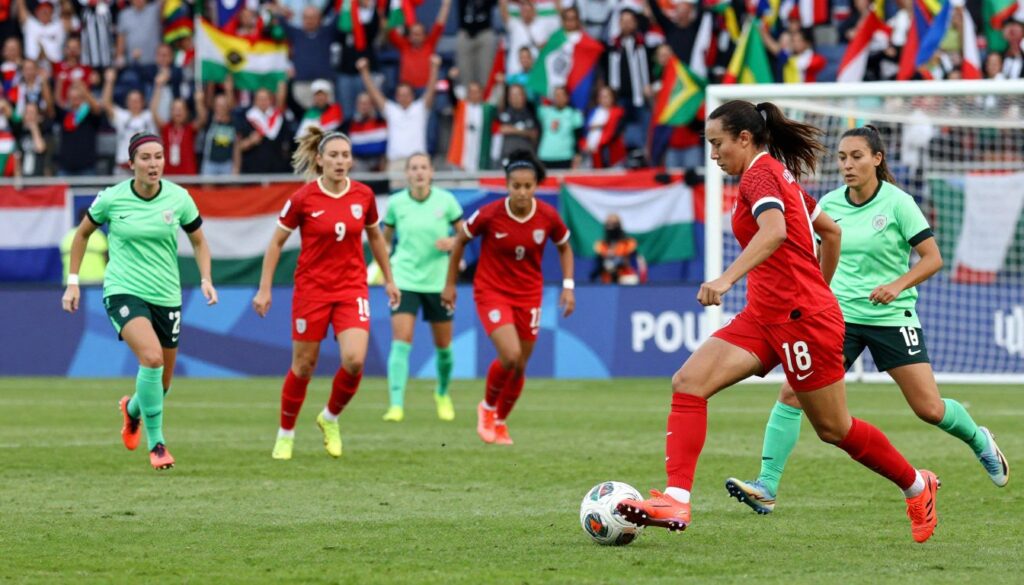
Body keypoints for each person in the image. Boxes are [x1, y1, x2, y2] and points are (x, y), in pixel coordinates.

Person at [616, 101, 941, 544]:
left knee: (834, 429)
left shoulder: (761, 176)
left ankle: (918, 486)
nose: (713, 155)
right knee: (689, 382)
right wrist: (821, 287)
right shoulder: (778, 175)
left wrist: (727, 279)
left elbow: (775, 232)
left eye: (717, 144)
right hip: (765, 316)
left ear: (744, 139)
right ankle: (676, 498)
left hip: (803, 322)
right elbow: (832, 232)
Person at [725, 126, 1010, 515]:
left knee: (928, 409)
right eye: (842, 157)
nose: (847, 165)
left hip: (891, 317)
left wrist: (897, 285)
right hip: (838, 316)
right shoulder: (829, 203)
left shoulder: (898, 203)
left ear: (877, 159)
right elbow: (815, 254)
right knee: (792, 393)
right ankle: (766, 486)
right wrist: (818, 296)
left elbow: (932, 258)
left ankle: (979, 440)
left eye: (856, 156)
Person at [61, 132, 218, 471]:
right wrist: (72, 283)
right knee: (151, 357)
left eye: (158, 157)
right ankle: (157, 444)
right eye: (145, 158)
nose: (153, 164)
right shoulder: (112, 199)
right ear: (131, 163)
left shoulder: (179, 198)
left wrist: (206, 279)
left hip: (166, 295)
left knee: (162, 385)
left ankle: (132, 410)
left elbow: (200, 242)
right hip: (123, 290)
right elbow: (82, 234)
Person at [253, 127, 400, 461]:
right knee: (304, 366)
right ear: (319, 160)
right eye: (333, 155)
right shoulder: (303, 199)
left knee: (355, 360)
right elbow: (275, 243)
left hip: (351, 288)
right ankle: (285, 434)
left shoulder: (363, 196)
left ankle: (330, 417)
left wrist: (388, 279)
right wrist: (264, 288)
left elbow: (376, 238)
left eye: (345, 155)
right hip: (312, 290)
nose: (340, 161)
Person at [441, 149, 575, 445]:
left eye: (528, 187)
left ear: (535, 187)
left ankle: (500, 422)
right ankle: (487, 408)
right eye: (517, 186)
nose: (522, 192)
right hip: (492, 292)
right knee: (510, 355)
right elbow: (461, 239)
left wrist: (568, 285)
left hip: (528, 294)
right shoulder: (490, 214)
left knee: (519, 366)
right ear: (507, 185)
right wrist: (450, 284)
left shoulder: (547, 216)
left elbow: (565, 246)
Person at [381, 153, 464, 422]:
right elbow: (384, 241)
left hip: (438, 282)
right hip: (405, 279)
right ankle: (396, 404)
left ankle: (442, 393)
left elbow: (464, 235)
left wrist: (453, 243)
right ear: (406, 173)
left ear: (431, 172)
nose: (419, 172)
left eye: (423, 167)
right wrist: (386, 275)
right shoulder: (396, 204)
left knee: (444, 347)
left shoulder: (446, 201)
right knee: (401, 340)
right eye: (413, 168)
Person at [357, 54, 440, 173]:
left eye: (406, 94)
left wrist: (435, 67)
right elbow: (374, 93)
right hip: (396, 163)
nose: (404, 97)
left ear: (412, 95)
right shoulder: (391, 109)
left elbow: (431, 89)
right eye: (401, 95)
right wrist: (364, 71)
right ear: (396, 97)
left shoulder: (420, 108)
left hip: (418, 163)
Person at [592, 213, 642, 285]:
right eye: (608, 224)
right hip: (607, 281)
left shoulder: (628, 243)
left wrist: (618, 262)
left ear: (619, 225)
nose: (611, 227)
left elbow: (635, 263)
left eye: (614, 224)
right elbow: (598, 265)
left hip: (626, 279)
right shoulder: (601, 245)